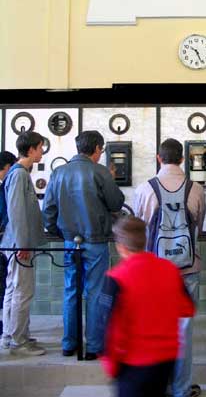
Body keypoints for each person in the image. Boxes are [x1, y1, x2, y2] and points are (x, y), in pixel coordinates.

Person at [43, 130, 124, 360]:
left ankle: (69, 344)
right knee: (96, 292)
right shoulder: (100, 172)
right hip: (96, 241)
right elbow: (116, 202)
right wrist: (111, 178)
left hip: (71, 242)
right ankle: (94, 347)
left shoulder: (58, 173)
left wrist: (61, 232)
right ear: (97, 148)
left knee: (71, 290)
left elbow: (48, 211)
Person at [134, 138, 206, 397]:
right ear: (183, 159)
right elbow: (197, 224)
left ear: (158, 158)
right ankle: (182, 388)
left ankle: (157, 386)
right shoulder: (195, 189)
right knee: (183, 333)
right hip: (187, 268)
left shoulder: (144, 189)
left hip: (153, 271)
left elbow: (138, 228)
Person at [96, 215, 195, 397]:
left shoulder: (116, 277)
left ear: (120, 246)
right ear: (145, 239)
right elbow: (188, 308)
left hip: (132, 363)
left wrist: (110, 364)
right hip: (166, 359)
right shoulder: (170, 269)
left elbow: (107, 325)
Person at [1, 133, 46, 356]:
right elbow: (16, 212)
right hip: (19, 245)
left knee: (13, 289)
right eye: (40, 148)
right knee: (22, 291)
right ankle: (19, 342)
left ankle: (10, 336)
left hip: (16, 243)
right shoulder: (19, 175)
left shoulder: (18, 173)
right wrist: (23, 244)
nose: (42, 152)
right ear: (31, 149)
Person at [0, 151, 17, 337]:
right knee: (9, 286)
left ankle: (7, 330)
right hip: (7, 242)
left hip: (6, 241)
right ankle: (9, 332)